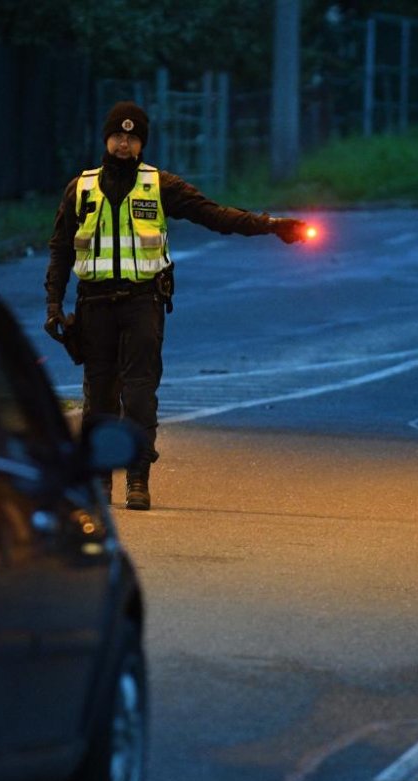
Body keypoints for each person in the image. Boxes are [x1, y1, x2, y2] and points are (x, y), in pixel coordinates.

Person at [43, 101, 311, 510]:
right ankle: (99, 482)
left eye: (133, 137)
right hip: (93, 305)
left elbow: (214, 215)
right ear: (106, 139)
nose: (124, 143)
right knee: (98, 398)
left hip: (142, 303)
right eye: (118, 135)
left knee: (138, 396)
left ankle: (137, 478)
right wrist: (52, 304)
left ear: (142, 144)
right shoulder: (81, 187)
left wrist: (269, 225)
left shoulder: (159, 185)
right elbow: (61, 249)